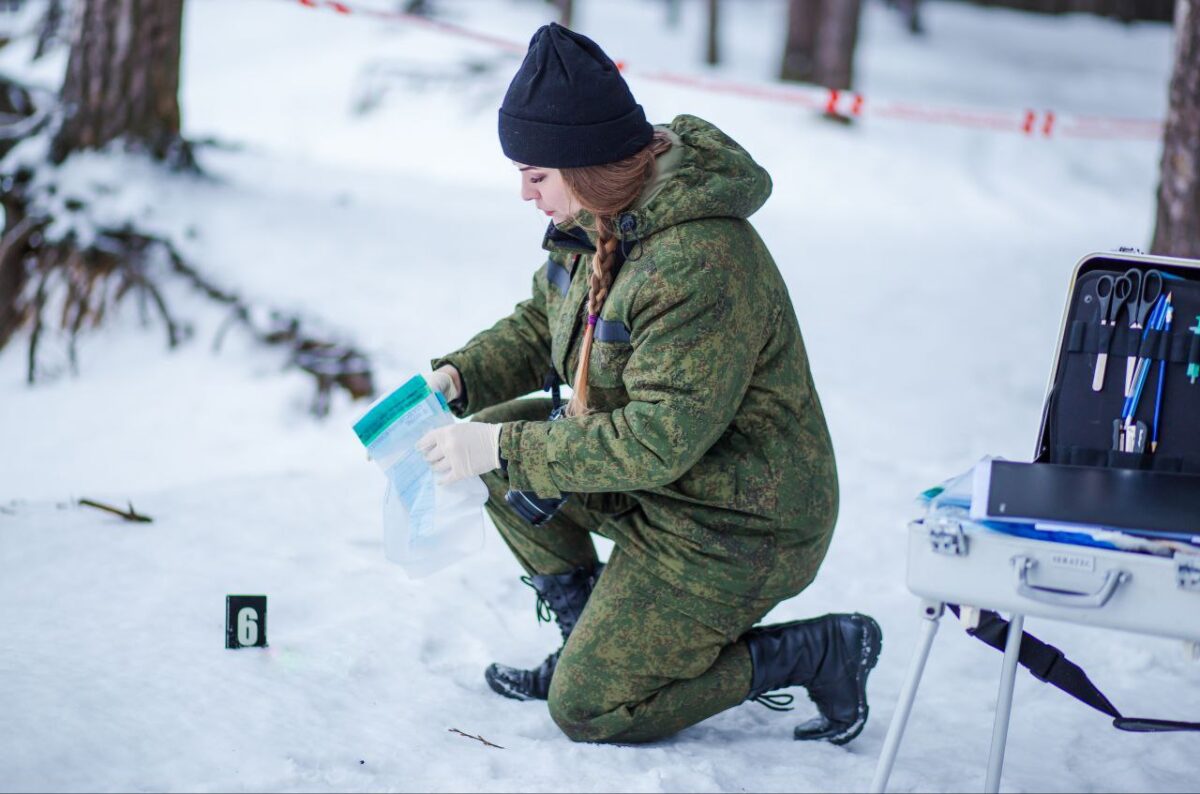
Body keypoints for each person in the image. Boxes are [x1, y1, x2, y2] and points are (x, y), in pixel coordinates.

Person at [416, 22, 881, 746]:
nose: (524, 194)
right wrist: (458, 377)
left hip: (733, 525)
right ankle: (588, 641)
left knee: (589, 710)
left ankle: (819, 651)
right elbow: (543, 322)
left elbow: (657, 441)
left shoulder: (697, 261)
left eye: (535, 175)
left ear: (582, 162)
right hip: (657, 489)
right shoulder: (601, 225)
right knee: (502, 447)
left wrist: (502, 446)